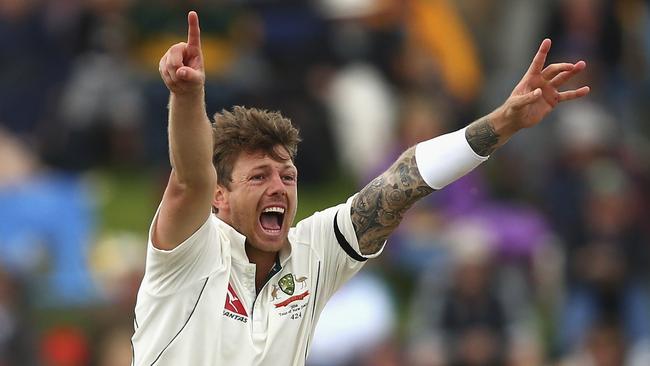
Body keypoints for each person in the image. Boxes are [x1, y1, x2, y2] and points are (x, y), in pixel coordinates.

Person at [130, 11, 590, 365]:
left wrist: (501, 124)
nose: (279, 187)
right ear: (221, 197)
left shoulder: (312, 252)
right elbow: (190, 180)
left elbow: (401, 183)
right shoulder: (191, 253)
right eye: (258, 176)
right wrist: (188, 95)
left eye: (287, 176)